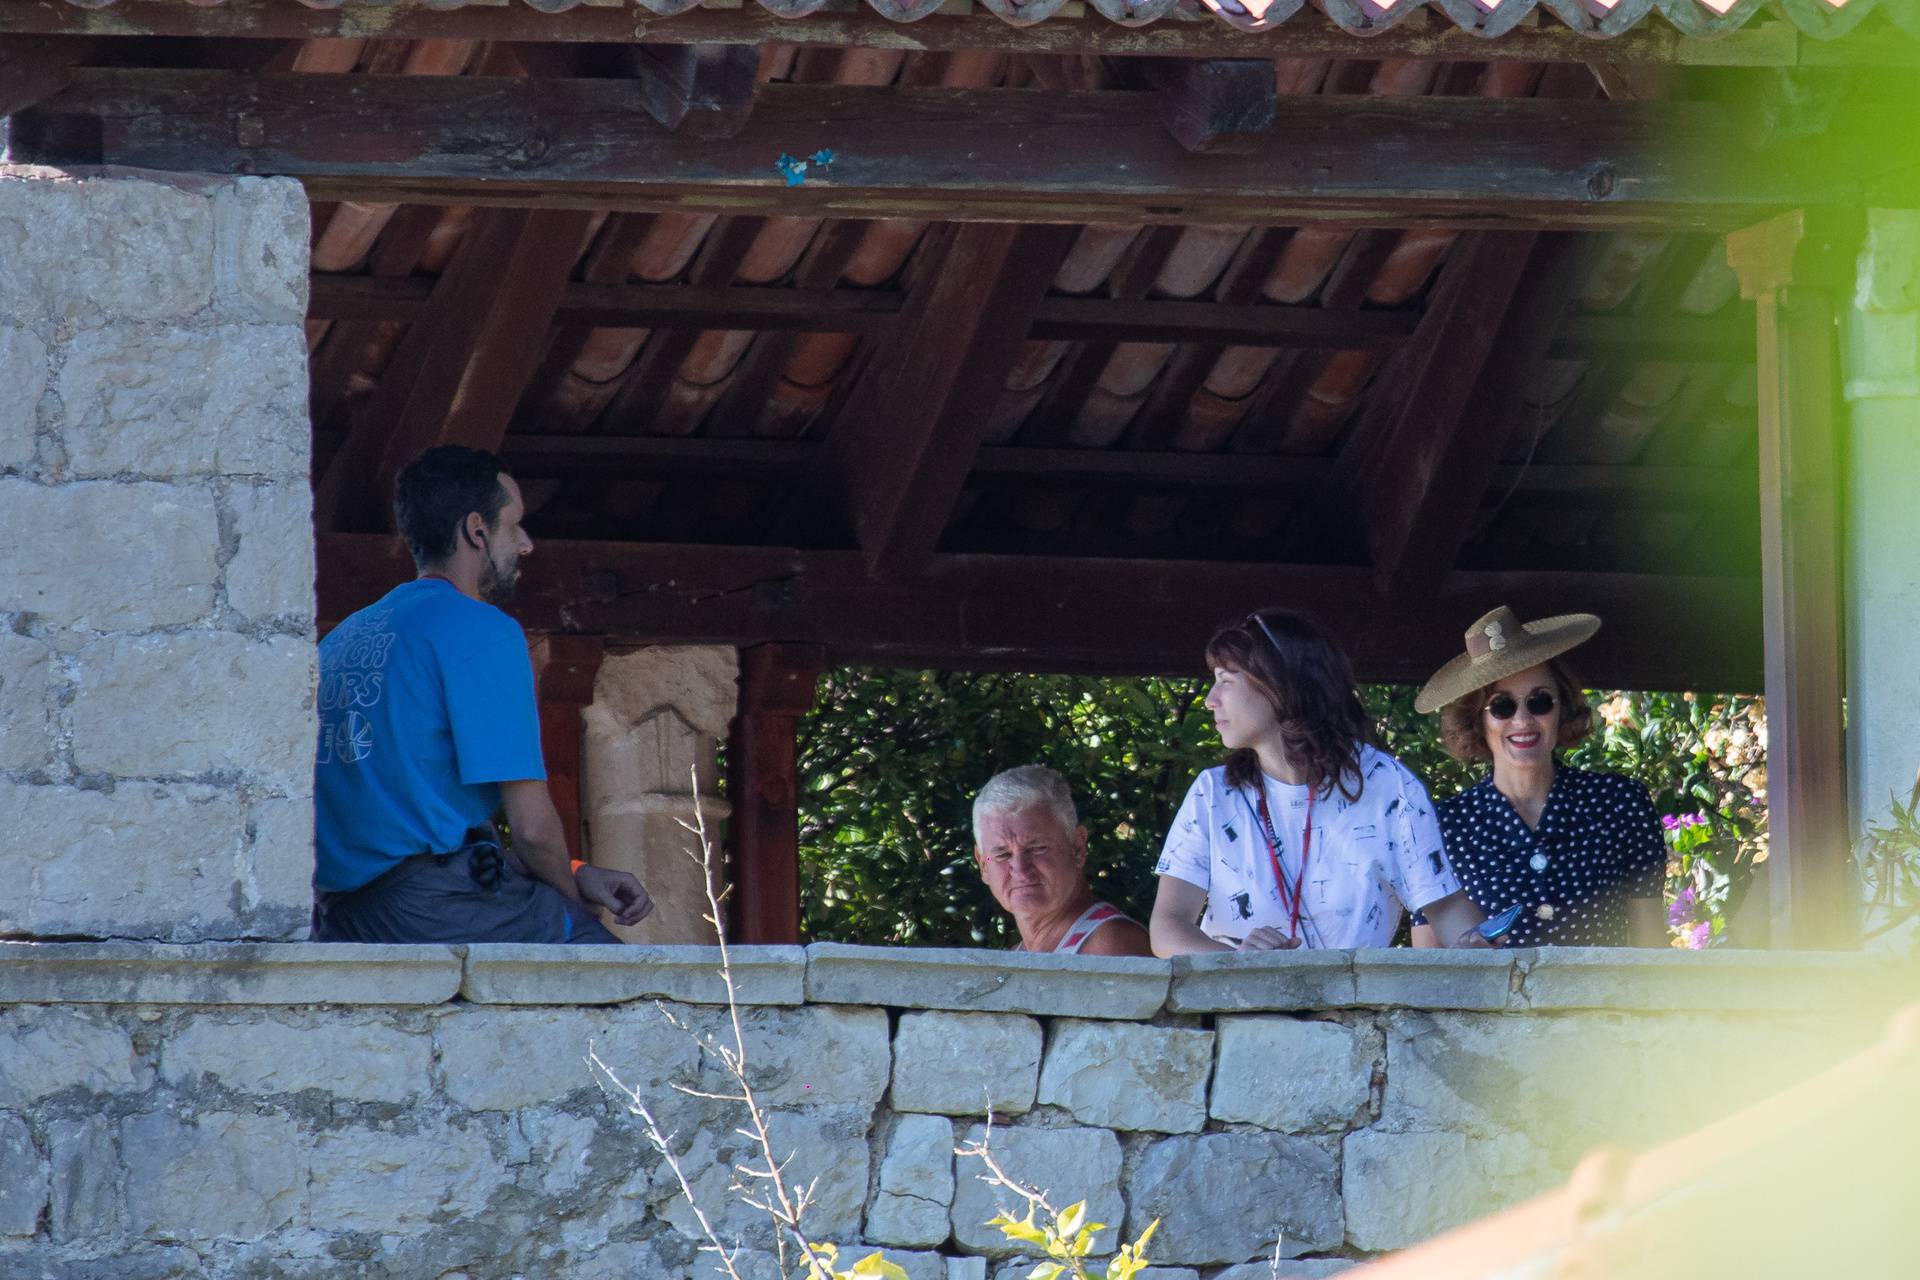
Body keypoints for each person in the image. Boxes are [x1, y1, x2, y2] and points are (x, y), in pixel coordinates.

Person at [312, 446, 653, 944]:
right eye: (514, 525)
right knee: (626, 989)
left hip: (342, 920)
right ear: (476, 530)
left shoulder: (342, 641)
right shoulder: (481, 631)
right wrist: (574, 906)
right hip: (431, 911)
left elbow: (418, 835)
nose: (526, 544)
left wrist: (578, 870)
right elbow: (532, 829)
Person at [1150, 609, 1488, 953]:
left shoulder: (1388, 785)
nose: (1210, 700)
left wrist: (1480, 949)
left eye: (1225, 680)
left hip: (1354, 1004)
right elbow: (1167, 926)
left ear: (1278, 685)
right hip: (1238, 1005)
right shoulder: (1213, 794)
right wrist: (1240, 965)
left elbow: (1444, 907)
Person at [1409, 606, 1667, 949]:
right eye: (1502, 706)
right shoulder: (1443, 827)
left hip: (1604, 1003)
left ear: (1562, 707)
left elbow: (1652, 948)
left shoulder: (1621, 803)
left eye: (1540, 702)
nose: (1523, 720)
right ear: (1477, 720)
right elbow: (1428, 970)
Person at [973, 765, 1153, 957]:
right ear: (983, 864)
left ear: (1077, 848)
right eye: (1002, 854)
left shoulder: (1109, 946)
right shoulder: (1016, 956)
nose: (1020, 869)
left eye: (1037, 848)